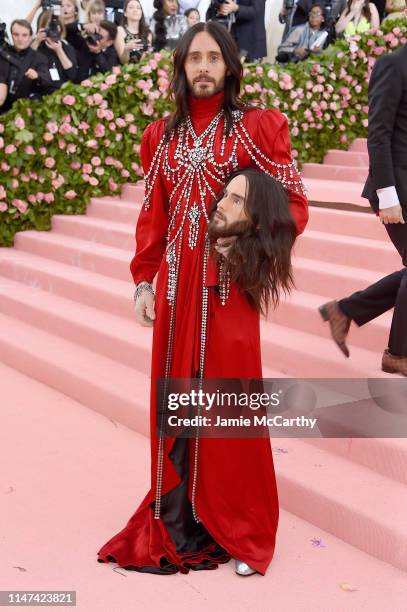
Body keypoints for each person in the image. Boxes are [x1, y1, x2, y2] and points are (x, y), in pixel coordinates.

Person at [97, 21, 308, 576]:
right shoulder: (160, 139)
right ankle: (181, 520)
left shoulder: (256, 130)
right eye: (194, 58)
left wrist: (243, 248)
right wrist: (143, 280)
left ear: (231, 65)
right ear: (181, 67)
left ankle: (243, 531)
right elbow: (153, 219)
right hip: (174, 294)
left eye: (214, 57)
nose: (204, 67)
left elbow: (292, 205)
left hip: (226, 294)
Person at [319, 35, 407, 376]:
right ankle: (397, 353)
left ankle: (344, 310)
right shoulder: (393, 64)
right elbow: (379, 133)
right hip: (396, 189)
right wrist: (388, 195)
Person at [0, 19, 52, 114]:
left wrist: (37, 75)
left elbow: (48, 79)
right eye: (16, 34)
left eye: (24, 35)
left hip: (28, 110)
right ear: (11, 35)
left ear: (30, 36)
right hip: (4, 108)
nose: (20, 39)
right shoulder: (3, 55)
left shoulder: (39, 58)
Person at [30, 10, 78, 92]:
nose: (53, 30)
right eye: (49, 26)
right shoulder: (35, 45)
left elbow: (72, 75)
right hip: (39, 91)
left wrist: (59, 50)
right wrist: (36, 42)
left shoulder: (66, 47)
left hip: (61, 90)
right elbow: (26, 64)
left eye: (56, 26)